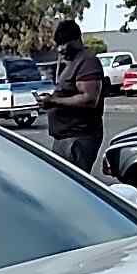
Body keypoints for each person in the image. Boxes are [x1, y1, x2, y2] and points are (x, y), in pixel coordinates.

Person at [39, 19, 105, 173]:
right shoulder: (74, 62)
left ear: (76, 40)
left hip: (78, 139)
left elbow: (90, 99)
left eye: (63, 44)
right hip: (66, 138)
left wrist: (54, 101)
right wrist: (51, 99)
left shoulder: (88, 61)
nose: (60, 50)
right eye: (58, 45)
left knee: (73, 183)